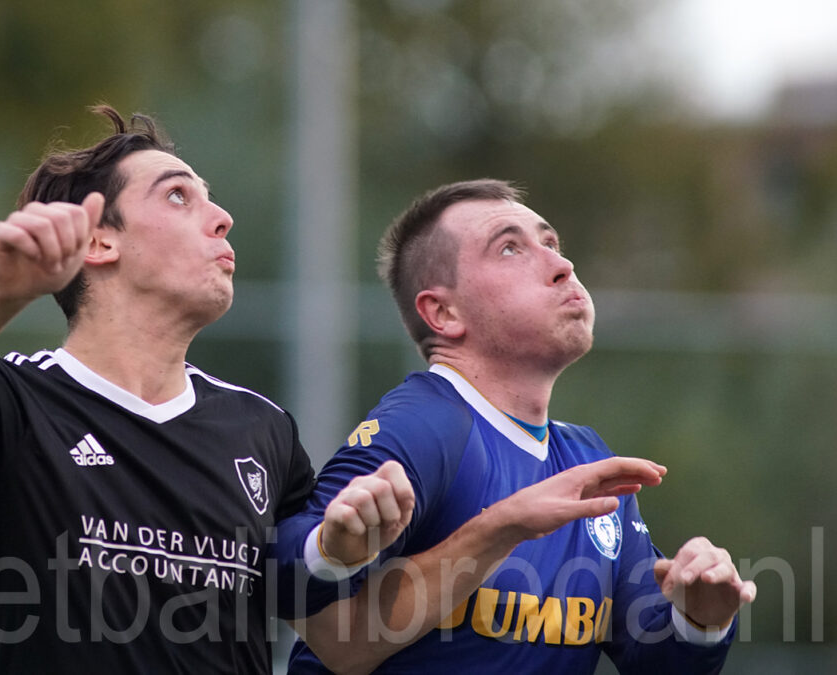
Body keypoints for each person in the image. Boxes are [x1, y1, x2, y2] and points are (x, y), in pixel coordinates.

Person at [0, 106, 414, 674]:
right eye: (178, 196)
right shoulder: (15, 402)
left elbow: (345, 645)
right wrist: (0, 296)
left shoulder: (262, 429)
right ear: (98, 242)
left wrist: (347, 554)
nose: (222, 218)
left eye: (209, 198)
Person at [274, 179, 757, 673]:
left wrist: (700, 620)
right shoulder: (427, 424)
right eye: (510, 248)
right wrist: (499, 526)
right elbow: (290, 577)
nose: (561, 265)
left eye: (551, 243)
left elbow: (652, 658)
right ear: (443, 312)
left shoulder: (587, 457)